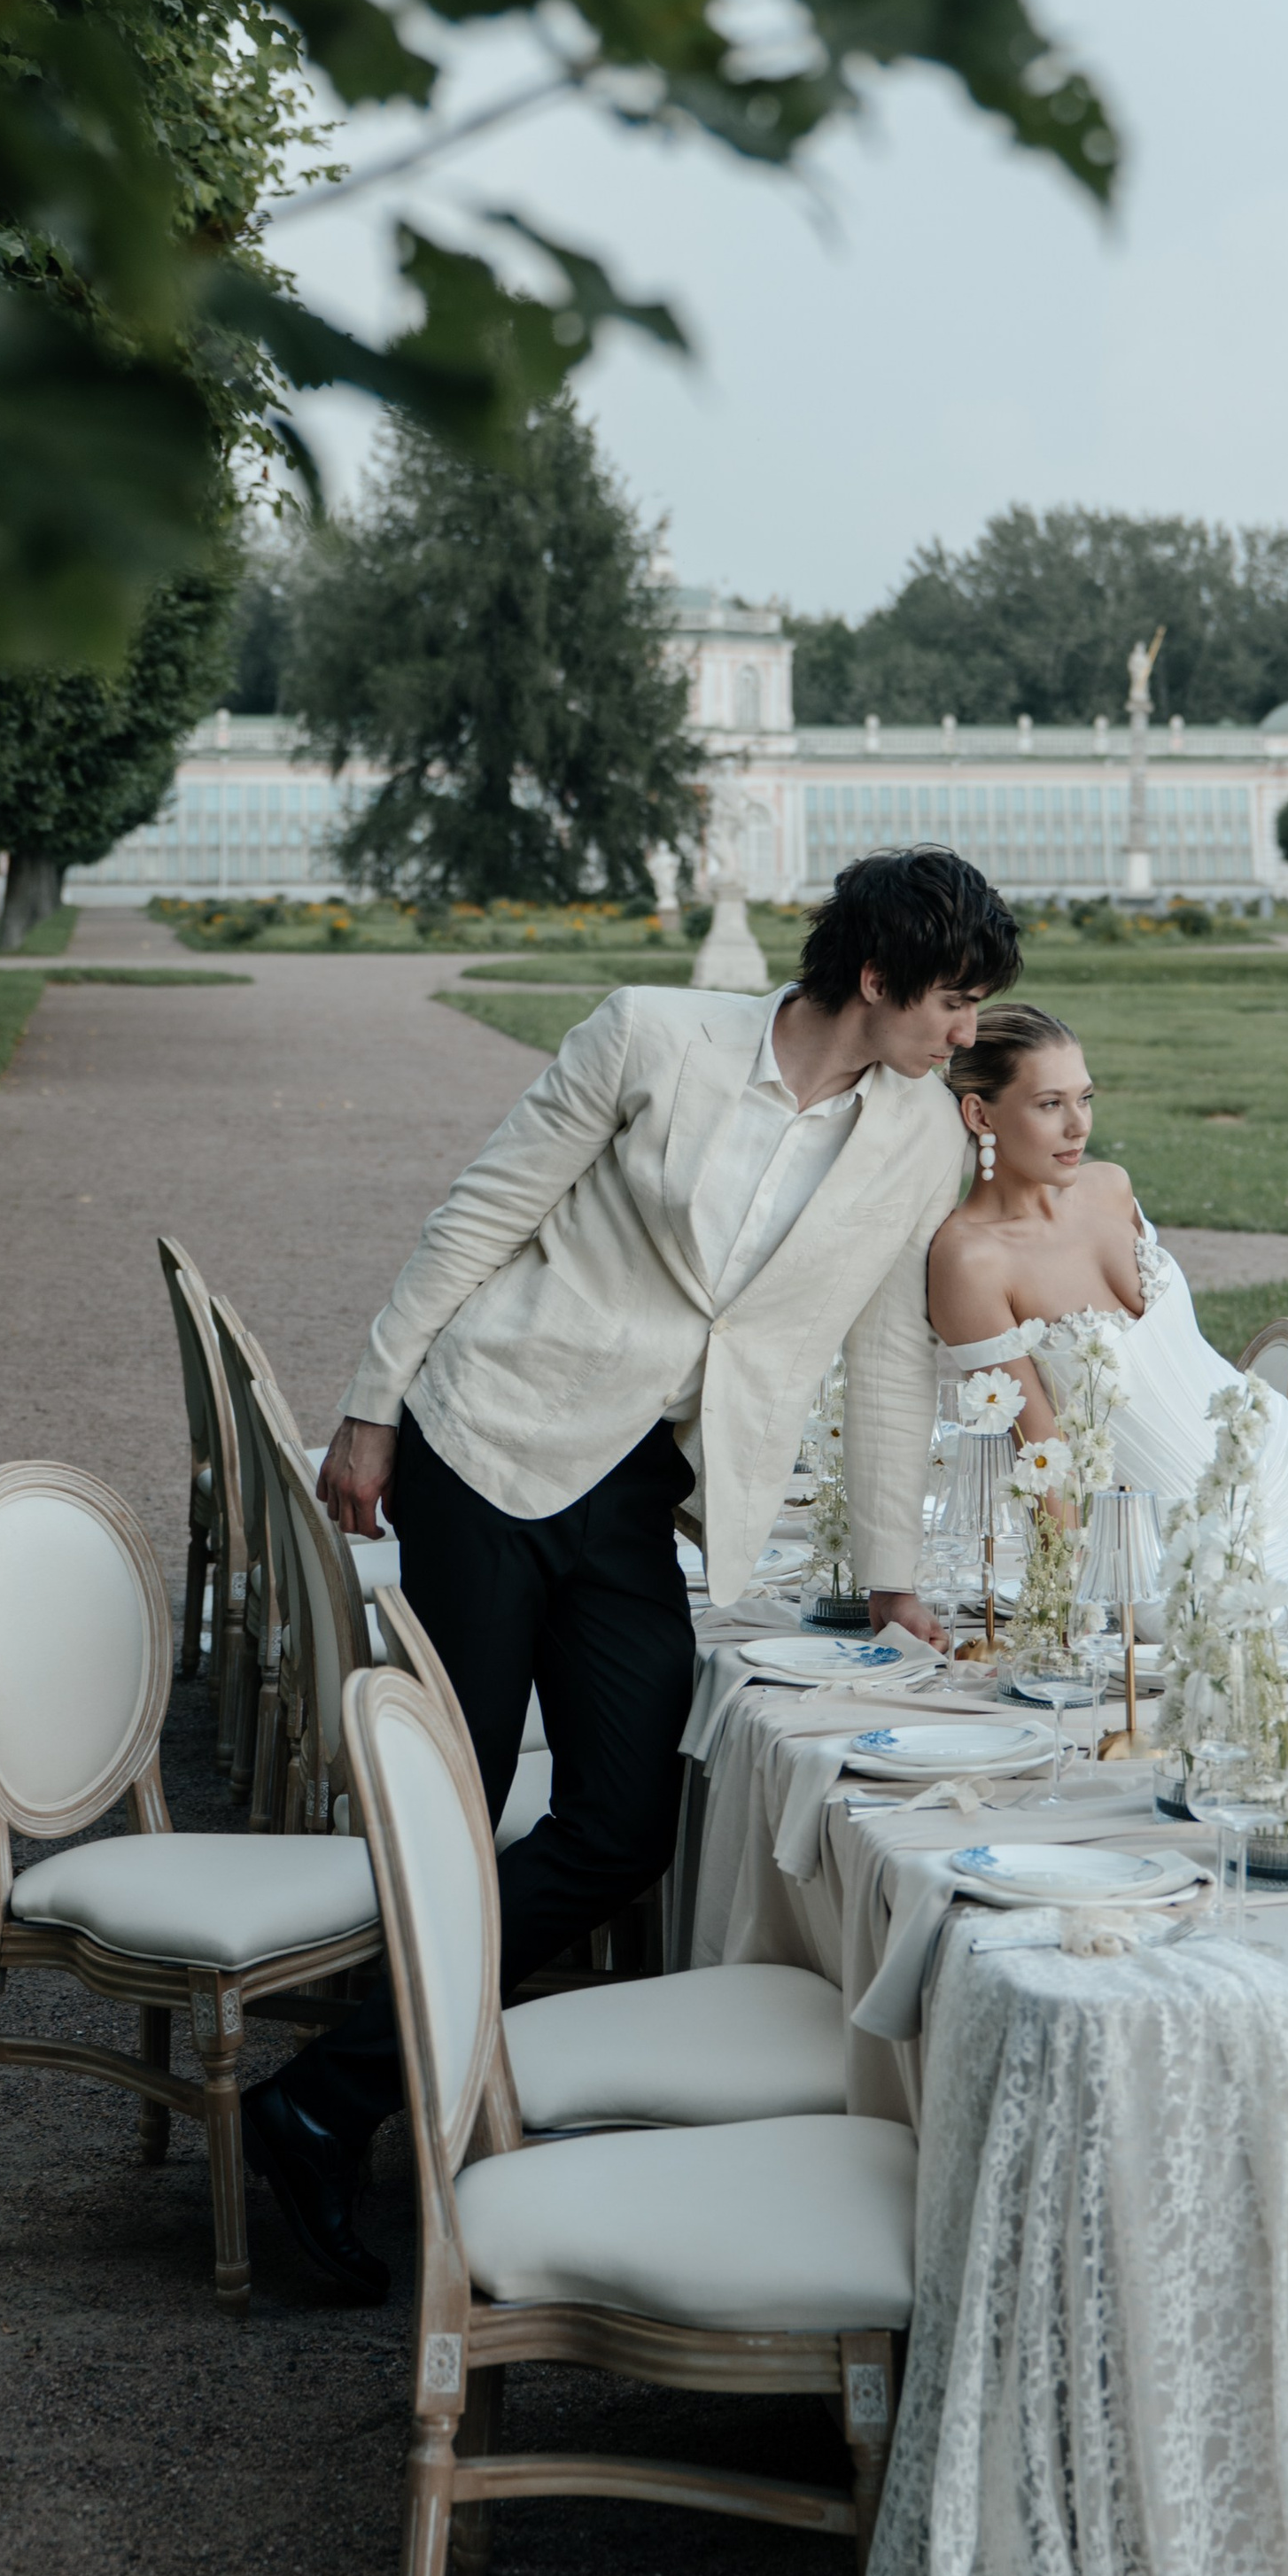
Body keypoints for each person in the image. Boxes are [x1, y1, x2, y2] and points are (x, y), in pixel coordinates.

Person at [240, 846, 1023, 2297]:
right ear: (875, 978)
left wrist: (893, 1570)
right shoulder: (649, 1036)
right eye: (955, 1003)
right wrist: (370, 1407)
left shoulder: (918, 1138)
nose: (965, 1033)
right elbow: (480, 1211)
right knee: (456, 1808)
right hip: (493, 1438)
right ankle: (346, 2109)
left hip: (640, 1494)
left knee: (621, 1824)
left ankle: (318, 2094)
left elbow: (887, 1352)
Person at [923, 1002, 1288, 1725]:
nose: (1079, 1125)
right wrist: (1077, 1613)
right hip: (1184, 1545)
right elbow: (1041, 1455)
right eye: (1049, 1104)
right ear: (981, 1116)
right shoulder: (971, 1259)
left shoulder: (1109, 1187)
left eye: (1085, 1098)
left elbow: (1187, 1359)